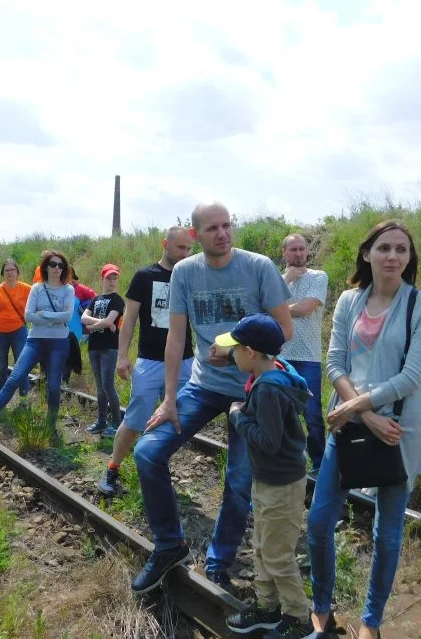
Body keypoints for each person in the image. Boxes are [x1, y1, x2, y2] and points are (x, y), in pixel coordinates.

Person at [130, 202, 294, 594]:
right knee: (148, 452)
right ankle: (170, 544)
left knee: (238, 483)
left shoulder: (258, 267)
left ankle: (218, 563)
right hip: (202, 386)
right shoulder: (186, 272)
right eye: (211, 228)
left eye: (226, 225)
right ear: (195, 234)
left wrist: (238, 347)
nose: (222, 233)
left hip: (252, 390)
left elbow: (284, 330)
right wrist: (169, 398)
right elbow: (176, 337)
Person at [304, 221, 421, 639]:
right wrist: (364, 415)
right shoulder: (349, 300)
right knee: (320, 521)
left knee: (387, 532)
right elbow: (334, 363)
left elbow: (412, 375)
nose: (393, 256)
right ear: (367, 254)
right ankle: (321, 608)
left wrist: (360, 407)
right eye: (384, 248)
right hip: (349, 425)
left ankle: (371, 622)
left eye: (402, 249)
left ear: (409, 257)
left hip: (400, 429)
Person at [214, 314, 312, 636]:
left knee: (278, 555)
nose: (233, 354)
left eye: (236, 349)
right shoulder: (273, 373)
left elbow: (269, 442)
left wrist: (238, 417)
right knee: (261, 547)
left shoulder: (269, 389)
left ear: (252, 352)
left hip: (280, 484)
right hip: (268, 479)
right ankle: (267, 607)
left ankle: (299, 619)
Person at [97, 226, 194, 496]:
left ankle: (156, 471)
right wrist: (122, 356)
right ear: (165, 244)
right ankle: (113, 469)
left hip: (185, 361)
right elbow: (128, 319)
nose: (185, 253)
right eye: (180, 248)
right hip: (150, 361)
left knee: (175, 421)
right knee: (135, 420)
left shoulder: (191, 275)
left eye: (189, 249)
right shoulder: (145, 276)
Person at [0, 250, 74, 442]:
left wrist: (43, 314)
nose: (56, 268)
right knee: (14, 377)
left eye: (60, 265)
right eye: (53, 264)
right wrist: (50, 317)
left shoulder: (68, 290)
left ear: (64, 269)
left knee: (54, 385)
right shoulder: (37, 289)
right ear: (45, 267)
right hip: (35, 339)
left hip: (58, 342)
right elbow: (29, 315)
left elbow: (67, 316)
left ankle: (50, 426)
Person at [280, 233, 329, 471]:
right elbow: (261, 306)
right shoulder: (277, 280)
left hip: (308, 358)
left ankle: (319, 466)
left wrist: (276, 309)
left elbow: (306, 309)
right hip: (279, 356)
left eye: (302, 249)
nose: (298, 253)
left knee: (312, 416)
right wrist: (286, 279)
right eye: (293, 250)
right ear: (284, 253)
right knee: (280, 415)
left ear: (307, 252)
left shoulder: (318, 277)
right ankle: (288, 462)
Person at [81, 264, 126, 436]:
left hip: (109, 347)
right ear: (102, 279)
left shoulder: (117, 300)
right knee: (100, 387)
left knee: (108, 385)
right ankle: (101, 421)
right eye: (109, 278)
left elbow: (110, 321)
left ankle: (116, 423)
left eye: (115, 278)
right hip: (94, 347)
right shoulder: (95, 299)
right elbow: (83, 318)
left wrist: (92, 327)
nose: (112, 281)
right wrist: (102, 324)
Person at [0, 259, 32, 396]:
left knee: (21, 363)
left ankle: (24, 394)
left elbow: (36, 306)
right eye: (6, 270)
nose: (9, 272)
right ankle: (1, 397)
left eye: (12, 269)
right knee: (1, 366)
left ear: (17, 272)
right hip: (0, 333)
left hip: (19, 330)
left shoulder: (26, 289)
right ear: (3, 274)